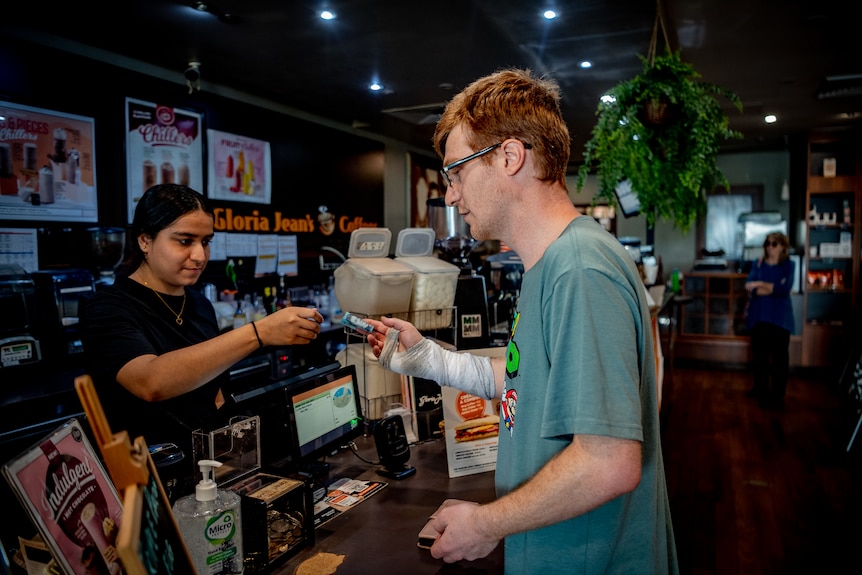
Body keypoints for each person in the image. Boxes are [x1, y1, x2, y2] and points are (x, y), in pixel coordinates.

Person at [363, 69, 678, 574]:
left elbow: (608, 462)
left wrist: (486, 524)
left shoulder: (580, 270)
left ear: (509, 157)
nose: (450, 194)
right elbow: (527, 383)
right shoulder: (547, 266)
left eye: (456, 172)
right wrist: (428, 358)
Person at [79, 184, 323, 460]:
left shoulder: (199, 304)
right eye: (185, 241)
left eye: (206, 242)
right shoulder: (106, 307)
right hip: (149, 479)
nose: (199, 256)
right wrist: (259, 332)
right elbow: (150, 381)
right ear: (145, 240)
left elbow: (214, 393)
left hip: (209, 468)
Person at [744, 232, 795, 409]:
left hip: (780, 318)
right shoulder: (758, 264)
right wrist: (767, 287)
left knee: (780, 359)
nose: (769, 247)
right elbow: (751, 288)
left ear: (782, 246)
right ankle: (761, 391)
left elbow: (784, 289)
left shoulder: (788, 265)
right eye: (767, 243)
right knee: (760, 357)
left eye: (774, 244)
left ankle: (777, 396)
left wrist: (760, 284)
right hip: (759, 316)